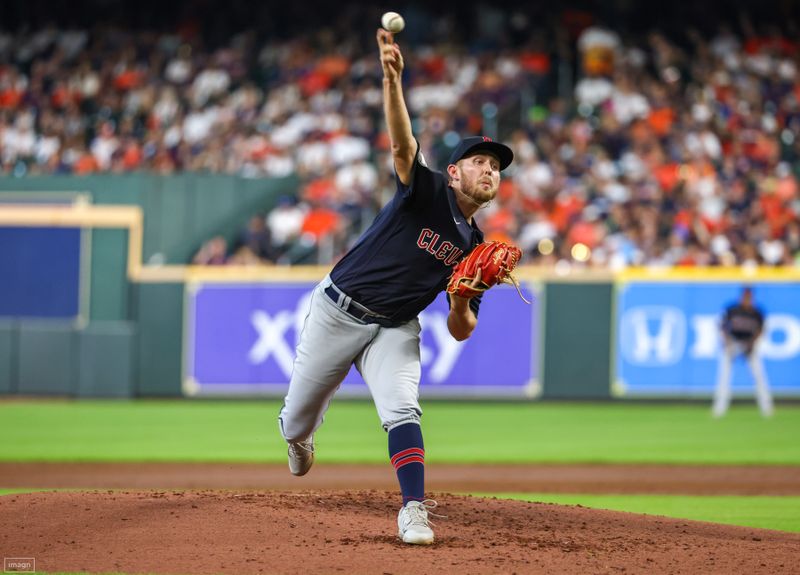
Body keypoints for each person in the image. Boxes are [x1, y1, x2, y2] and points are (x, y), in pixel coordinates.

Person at [277, 28, 514, 545]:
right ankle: (301, 437)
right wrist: (393, 79)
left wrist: (459, 300)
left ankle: (413, 510)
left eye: (495, 167)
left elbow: (461, 330)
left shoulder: (478, 249)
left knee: (403, 410)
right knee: (295, 423)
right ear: (454, 172)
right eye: (480, 161)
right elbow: (403, 144)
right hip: (338, 310)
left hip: (394, 328)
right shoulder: (426, 190)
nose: (489, 170)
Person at [712, 287, 774, 418]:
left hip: (749, 344)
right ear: (741, 297)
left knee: (759, 376)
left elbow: (761, 330)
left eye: (749, 297)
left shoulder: (757, 312)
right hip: (733, 343)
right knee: (724, 376)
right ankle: (719, 408)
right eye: (744, 297)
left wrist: (752, 343)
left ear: (752, 298)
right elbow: (721, 325)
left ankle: (767, 408)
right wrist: (727, 341)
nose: (746, 299)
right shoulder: (732, 309)